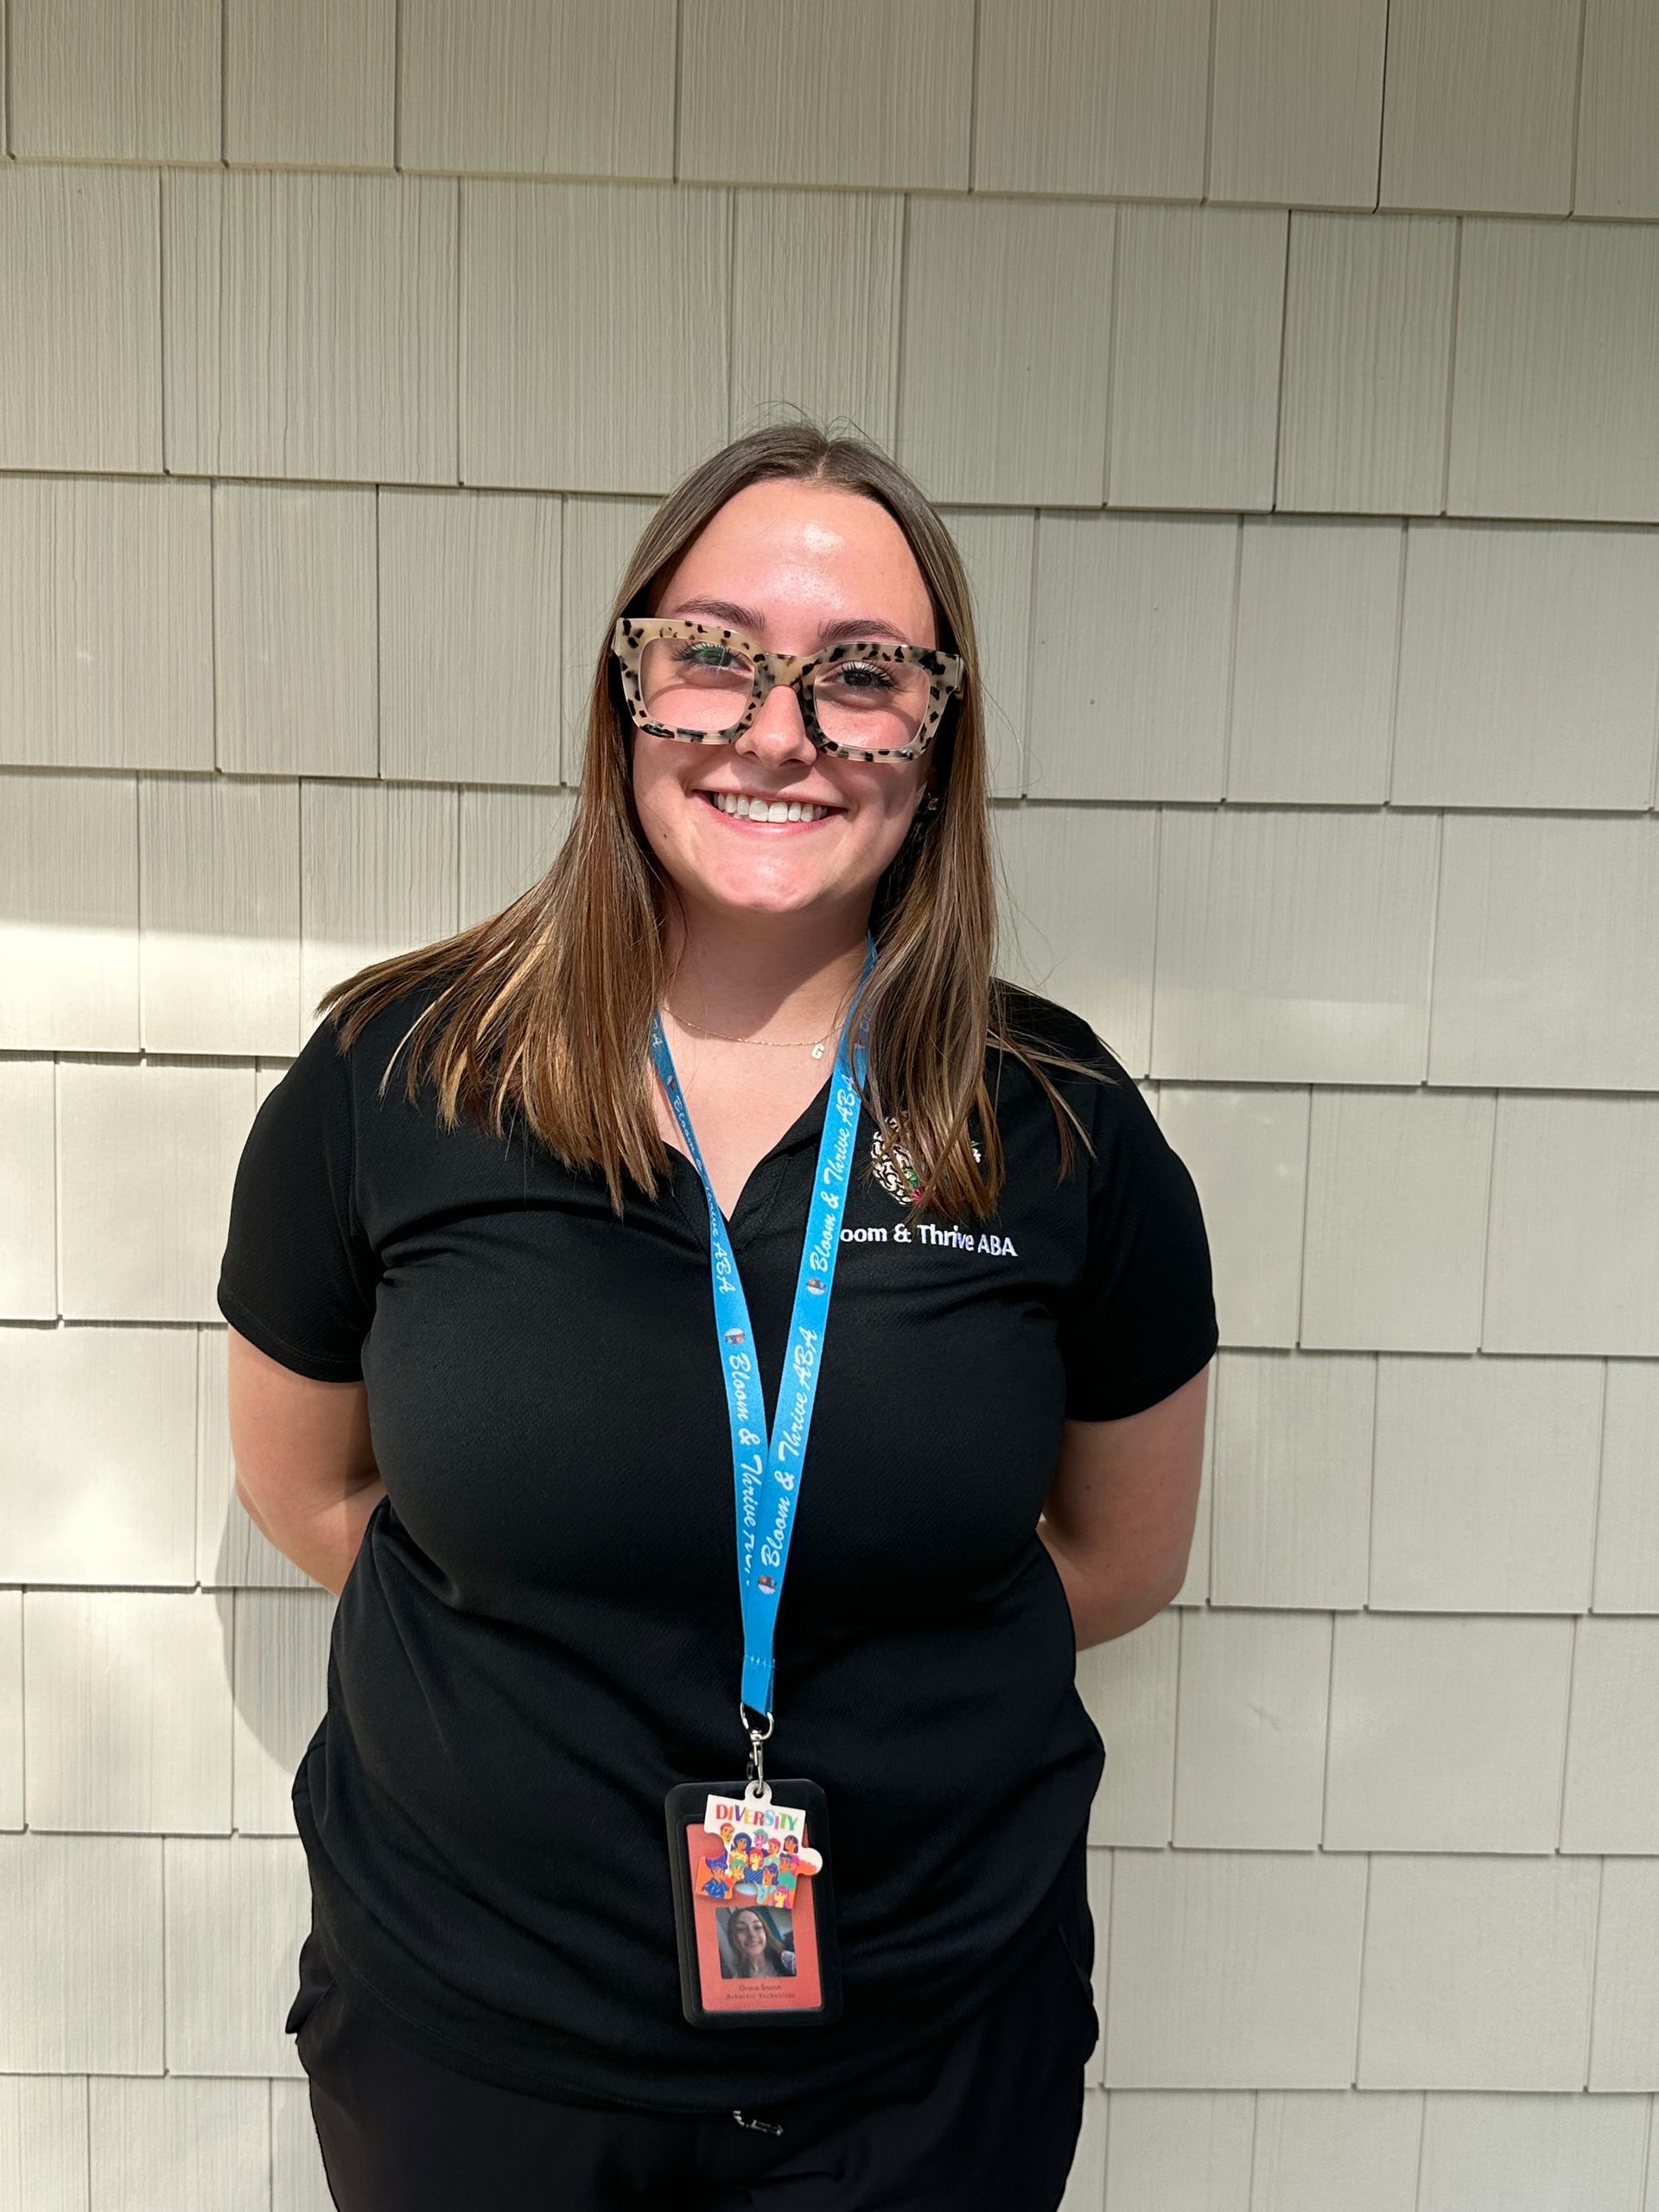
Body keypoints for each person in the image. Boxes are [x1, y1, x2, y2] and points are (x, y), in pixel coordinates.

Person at [220, 423, 1218, 2210]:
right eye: (717, 655)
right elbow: (308, 1494)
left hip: (926, 2059)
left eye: (861, 674)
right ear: (625, 690)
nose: (780, 729)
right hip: (478, 2051)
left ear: (940, 729)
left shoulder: (1061, 1122)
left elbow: (1120, 1550)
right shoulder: (393, 1077)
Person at [723, 1908, 797, 1980]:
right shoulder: (736, 1982)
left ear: (765, 1932)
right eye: (741, 1929)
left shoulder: (787, 1960)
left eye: (757, 1927)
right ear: (733, 1937)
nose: (752, 1935)